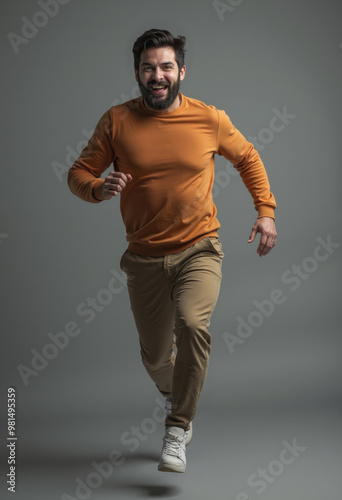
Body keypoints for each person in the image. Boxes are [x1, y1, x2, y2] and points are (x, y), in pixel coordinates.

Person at [68, 28, 277, 473]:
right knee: (156, 357)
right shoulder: (116, 121)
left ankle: (178, 427)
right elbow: (78, 173)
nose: (157, 75)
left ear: (181, 71)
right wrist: (98, 187)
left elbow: (248, 158)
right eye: (148, 68)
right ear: (138, 73)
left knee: (191, 323)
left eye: (166, 67)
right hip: (143, 257)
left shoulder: (209, 119)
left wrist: (266, 211)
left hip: (199, 248)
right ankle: (177, 389)